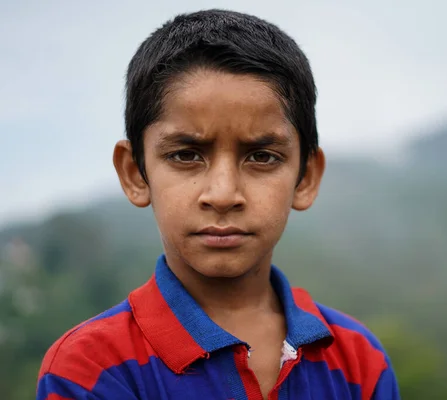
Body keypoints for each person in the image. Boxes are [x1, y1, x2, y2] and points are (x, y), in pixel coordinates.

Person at [36, 9, 401, 400]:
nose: (224, 194)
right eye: (186, 154)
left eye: (261, 156)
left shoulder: (358, 360)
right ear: (135, 173)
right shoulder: (90, 368)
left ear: (306, 177)